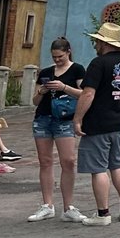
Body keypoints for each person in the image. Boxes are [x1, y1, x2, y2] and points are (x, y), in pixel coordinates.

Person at [74, 22, 120, 225]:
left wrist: (78, 119)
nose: (96, 44)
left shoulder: (98, 63)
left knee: (98, 169)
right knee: (117, 164)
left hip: (98, 123)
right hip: (118, 122)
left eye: (98, 41)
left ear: (104, 43)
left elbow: (88, 93)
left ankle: (103, 214)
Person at [27, 37, 88, 223]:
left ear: (68, 52)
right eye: (54, 57)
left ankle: (68, 206)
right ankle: (47, 205)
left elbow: (84, 93)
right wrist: (42, 91)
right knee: (45, 161)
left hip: (65, 119)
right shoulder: (46, 72)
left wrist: (64, 87)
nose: (57, 60)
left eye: (60, 56)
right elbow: (35, 101)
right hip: (43, 118)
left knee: (68, 161)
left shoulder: (77, 69)